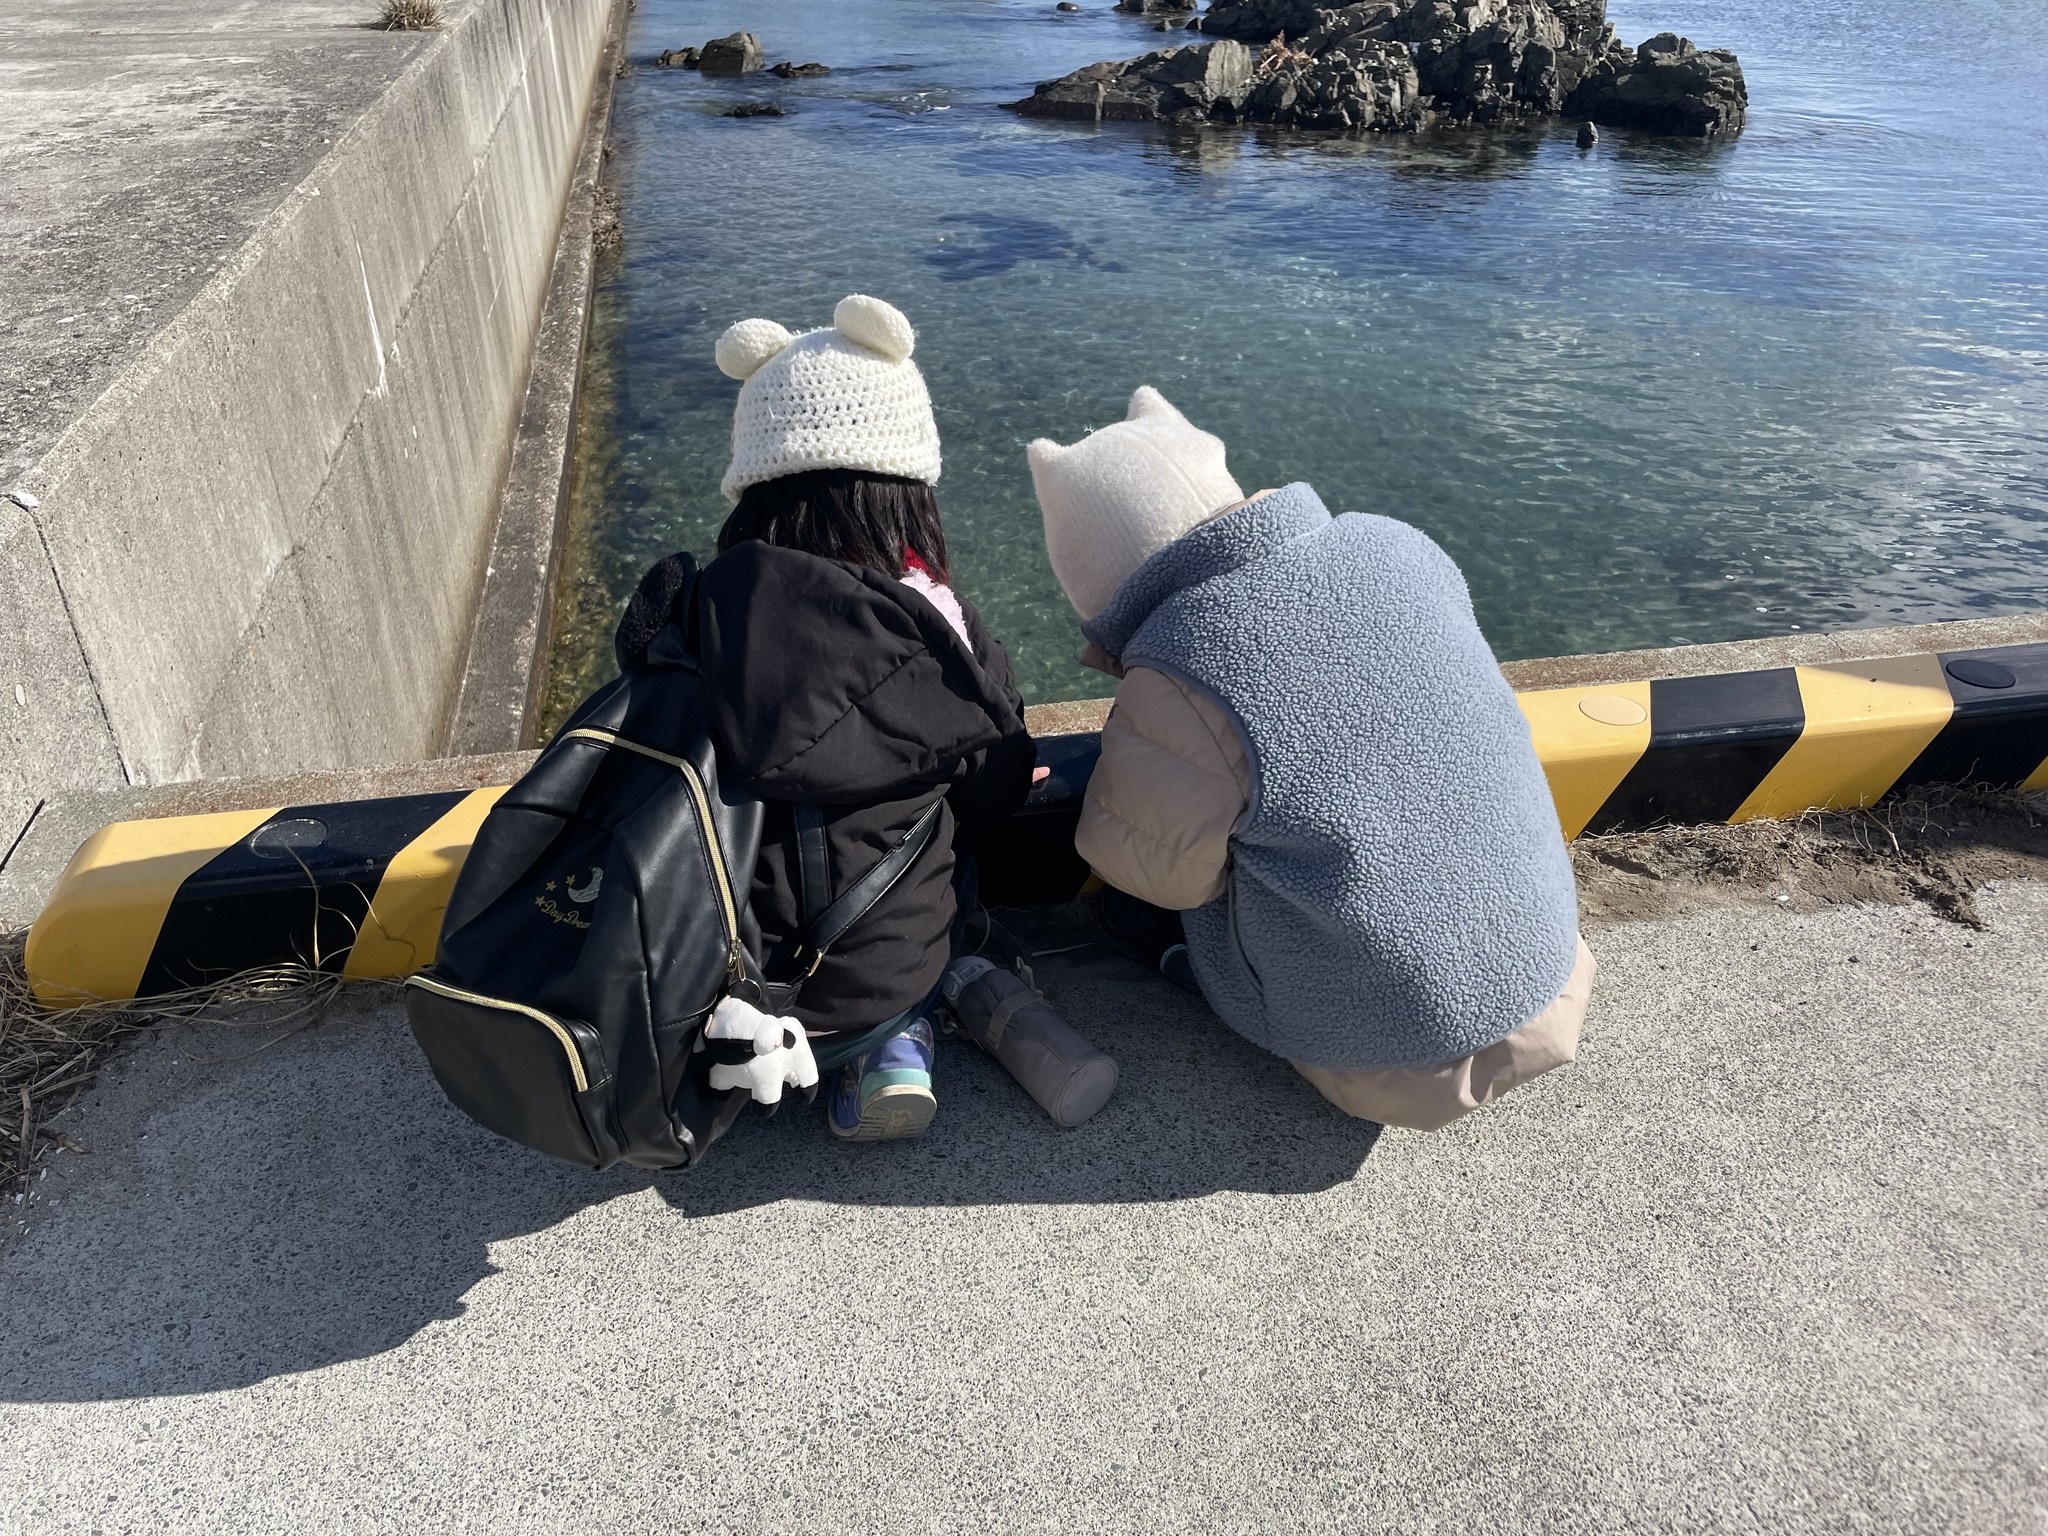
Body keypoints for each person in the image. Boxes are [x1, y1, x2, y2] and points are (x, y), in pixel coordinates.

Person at [1027, 386, 1594, 1131]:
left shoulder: (1184, 668)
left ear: (1097, 584)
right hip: (1550, 972)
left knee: (1149, 902)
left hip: (1389, 1060)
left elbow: (1155, 872)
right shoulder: (1395, 543)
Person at [624, 294, 1035, 1140]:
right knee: (949, 863)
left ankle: (746, 1055)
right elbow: (994, 798)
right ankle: (892, 1047)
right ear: (909, 488)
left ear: (753, 479)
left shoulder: (687, 613)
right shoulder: (944, 630)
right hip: (886, 977)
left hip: (709, 981)